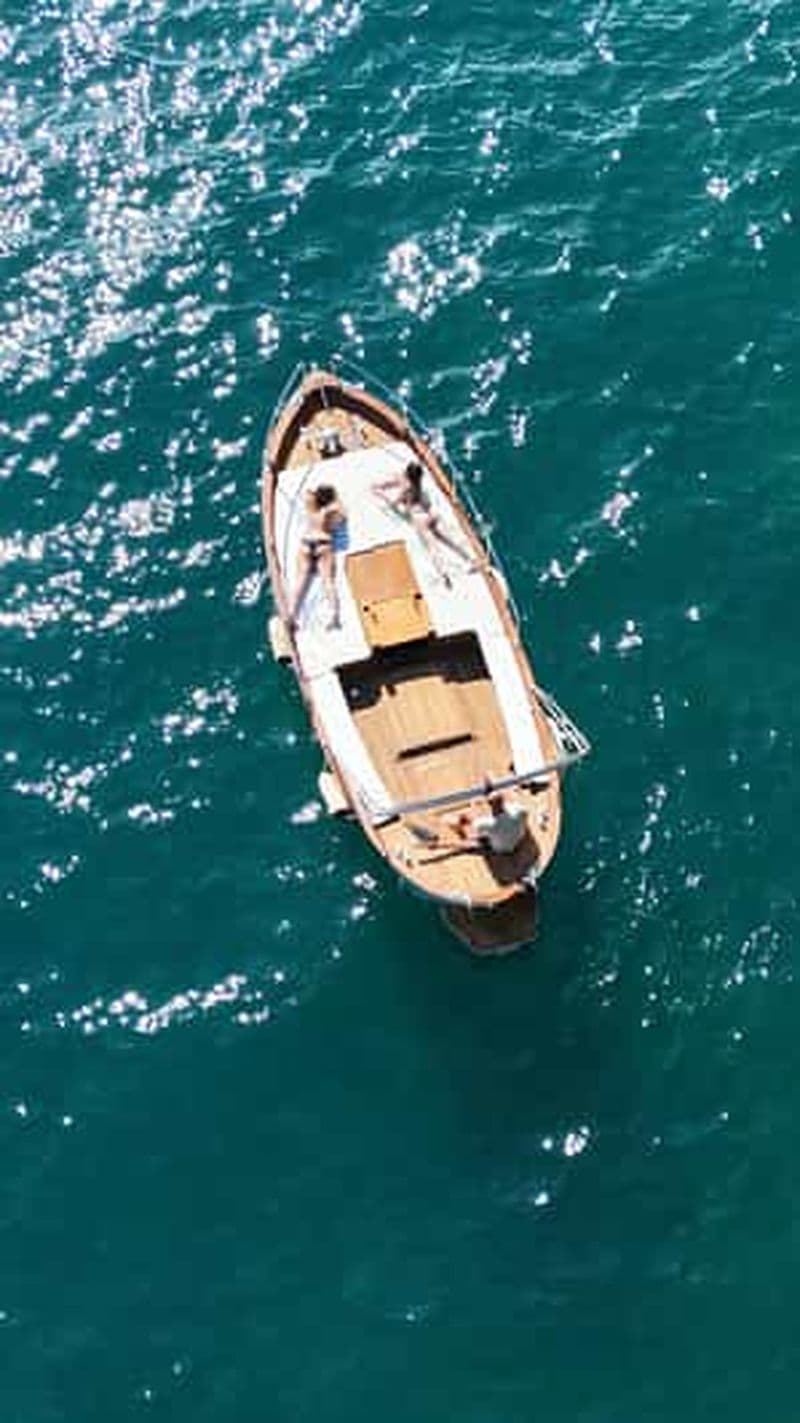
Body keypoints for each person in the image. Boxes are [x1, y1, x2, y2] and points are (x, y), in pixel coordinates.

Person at [371, 459, 474, 584]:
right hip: (430, 514)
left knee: (432, 546)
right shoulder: (418, 484)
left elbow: (394, 503)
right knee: (447, 538)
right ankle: (469, 558)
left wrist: (382, 495)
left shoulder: (406, 486)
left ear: (407, 472)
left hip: (419, 518)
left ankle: (443, 573)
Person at [288, 484, 344, 631]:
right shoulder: (329, 512)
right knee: (327, 581)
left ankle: (291, 616)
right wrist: (334, 499)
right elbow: (341, 515)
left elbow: (307, 491)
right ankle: (334, 615)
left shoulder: (310, 506)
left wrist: (316, 494)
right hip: (323, 544)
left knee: (300, 581)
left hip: (306, 543)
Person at [446, 790, 527, 855]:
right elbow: (523, 813)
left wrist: (470, 811)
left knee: (472, 841)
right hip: (518, 839)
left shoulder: (487, 823)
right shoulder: (519, 810)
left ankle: (440, 845)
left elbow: (475, 833)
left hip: (503, 848)